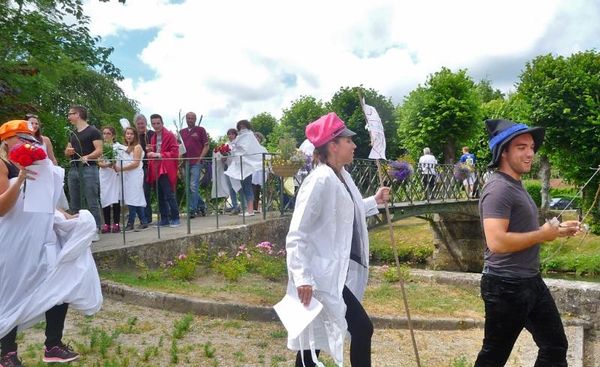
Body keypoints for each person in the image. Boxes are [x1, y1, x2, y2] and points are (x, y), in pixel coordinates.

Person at [283, 112, 389, 366]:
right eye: (348, 141)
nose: (354, 145)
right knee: (361, 329)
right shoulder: (318, 180)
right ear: (333, 145)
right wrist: (303, 277)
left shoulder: (342, 176)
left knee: (314, 341)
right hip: (319, 276)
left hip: (331, 274)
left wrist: (374, 201)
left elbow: (346, 213)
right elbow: (297, 233)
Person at [474, 119, 581, 367]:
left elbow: (525, 230)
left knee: (555, 346)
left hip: (530, 281)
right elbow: (497, 242)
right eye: (521, 147)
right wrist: (543, 234)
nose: (530, 153)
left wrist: (557, 231)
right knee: (493, 356)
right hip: (505, 286)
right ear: (503, 151)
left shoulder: (516, 185)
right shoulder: (498, 189)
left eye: (532, 147)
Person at [0, 120, 102, 367]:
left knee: (61, 280)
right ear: (5, 141)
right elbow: (3, 207)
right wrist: (22, 176)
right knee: (14, 292)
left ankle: (53, 345)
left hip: (41, 237)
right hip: (14, 243)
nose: (28, 141)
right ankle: (7, 354)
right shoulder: (2, 164)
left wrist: (67, 218)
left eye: (30, 136)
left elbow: (41, 201)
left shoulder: (35, 163)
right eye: (21, 136)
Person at [64, 105, 103, 241]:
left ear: (78, 114)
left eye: (70, 114)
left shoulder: (93, 131)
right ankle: (76, 230)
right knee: (74, 201)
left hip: (89, 169)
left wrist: (87, 156)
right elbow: (67, 150)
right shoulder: (72, 133)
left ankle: (95, 228)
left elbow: (99, 150)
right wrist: (68, 151)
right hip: (74, 168)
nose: (68, 117)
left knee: (92, 199)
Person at [146, 114, 180, 227]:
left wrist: (158, 154)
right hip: (156, 169)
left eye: (158, 123)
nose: (156, 126)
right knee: (159, 194)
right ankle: (164, 219)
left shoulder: (170, 135)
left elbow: (175, 153)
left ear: (162, 123)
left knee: (169, 194)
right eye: (154, 124)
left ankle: (176, 218)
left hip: (165, 168)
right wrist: (151, 151)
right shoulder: (153, 137)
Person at [224, 120, 264, 216]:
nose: (242, 129)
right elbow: (237, 149)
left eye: (244, 126)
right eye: (240, 127)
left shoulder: (249, 136)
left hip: (246, 166)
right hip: (240, 165)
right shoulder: (241, 137)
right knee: (244, 187)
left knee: (247, 187)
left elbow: (247, 149)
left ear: (248, 127)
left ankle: (250, 210)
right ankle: (249, 209)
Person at [115, 127, 148, 231]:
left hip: (135, 175)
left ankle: (131, 222)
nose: (129, 136)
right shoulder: (125, 148)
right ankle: (143, 221)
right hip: (127, 175)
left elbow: (135, 163)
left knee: (133, 197)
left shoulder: (137, 147)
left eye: (131, 134)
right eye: (127, 134)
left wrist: (121, 168)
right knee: (133, 197)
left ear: (135, 136)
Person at [179, 111, 209, 218]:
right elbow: (180, 147)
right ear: (186, 119)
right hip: (185, 162)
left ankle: (192, 209)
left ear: (195, 119)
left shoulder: (200, 130)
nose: (190, 120)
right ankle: (201, 205)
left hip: (196, 162)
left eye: (192, 118)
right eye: (188, 118)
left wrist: (200, 158)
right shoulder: (181, 132)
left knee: (193, 186)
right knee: (189, 188)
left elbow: (206, 146)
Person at [98, 126, 124, 233]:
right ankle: (107, 224)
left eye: (108, 133)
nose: (105, 135)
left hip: (114, 174)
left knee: (115, 198)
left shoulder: (118, 147)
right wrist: (106, 164)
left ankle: (116, 223)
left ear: (113, 135)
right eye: (104, 133)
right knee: (105, 198)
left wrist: (112, 164)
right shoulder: (101, 147)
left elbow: (120, 159)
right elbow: (98, 161)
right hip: (104, 175)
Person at [135, 113, 155, 224]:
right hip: (140, 168)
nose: (140, 125)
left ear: (146, 123)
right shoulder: (135, 137)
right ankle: (146, 217)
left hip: (153, 166)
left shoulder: (152, 134)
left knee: (159, 191)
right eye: (138, 124)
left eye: (142, 123)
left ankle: (167, 215)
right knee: (144, 192)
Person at [251, 131, 268, 213]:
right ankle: (251, 208)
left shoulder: (263, 149)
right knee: (251, 189)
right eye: (255, 137)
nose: (256, 139)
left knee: (257, 190)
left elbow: (267, 159)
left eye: (258, 137)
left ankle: (255, 207)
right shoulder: (249, 149)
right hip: (251, 171)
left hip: (260, 171)